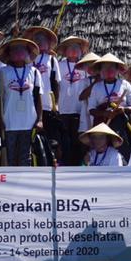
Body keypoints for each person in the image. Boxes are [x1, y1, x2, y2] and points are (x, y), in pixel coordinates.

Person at [0, 37, 42, 166]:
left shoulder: (34, 72)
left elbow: (38, 97)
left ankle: (25, 179)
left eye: (22, 49)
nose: (19, 52)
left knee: (26, 157)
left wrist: (40, 119)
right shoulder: (2, 72)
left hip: (29, 122)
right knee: (10, 157)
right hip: (9, 122)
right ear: (9, 53)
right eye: (15, 49)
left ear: (28, 52)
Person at [86, 54, 131, 162]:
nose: (109, 70)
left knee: (123, 149)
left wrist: (123, 109)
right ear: (100, 71)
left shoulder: (125, 84)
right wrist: (104, 113)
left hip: (121, 123)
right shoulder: (97, 87)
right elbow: (91, 109)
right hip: (103, 124)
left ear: (117, 70)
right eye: (105, 67)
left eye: (112, 67)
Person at [50, 35, 91, 167]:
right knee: (64, 142)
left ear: (81, 51)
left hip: (80, 110)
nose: (74, 50)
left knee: (78, 141)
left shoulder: (85, 67)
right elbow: (54, 85)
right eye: (70, 47)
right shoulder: (59, 65)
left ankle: (78, 168)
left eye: (76, 47)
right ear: (65, 51)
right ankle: (65, 167)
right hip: (63, 109)